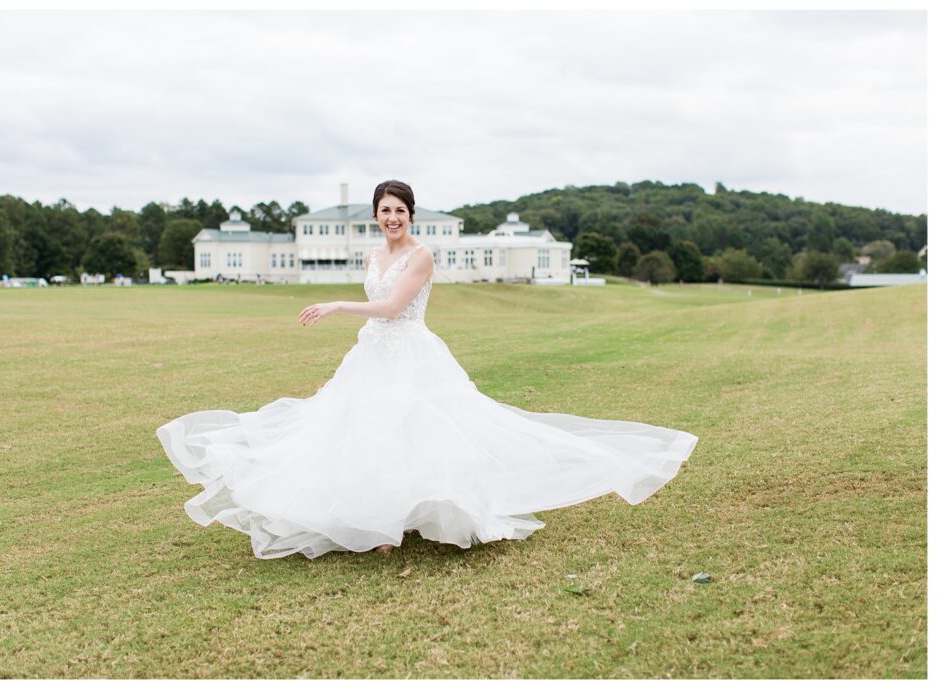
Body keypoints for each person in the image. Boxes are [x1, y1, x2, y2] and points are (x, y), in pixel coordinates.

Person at [156, 180, 697, 559]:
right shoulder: (375, 256)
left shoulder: (421, 256)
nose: (392, 218)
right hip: (372, 353)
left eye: (400, 210)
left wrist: (338, 307)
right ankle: (376, 523)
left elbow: (394, 310)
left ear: (411, 215)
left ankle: (421, 516)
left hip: (411, 352)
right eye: (384, 210)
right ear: (375, 215)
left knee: (421, 429)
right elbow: (379, 305)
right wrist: (351, 312)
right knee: (361, 432)